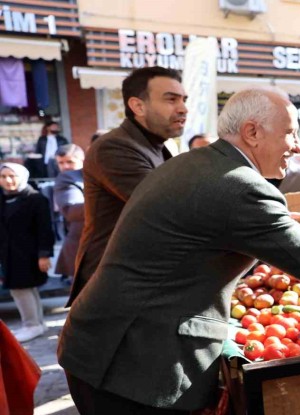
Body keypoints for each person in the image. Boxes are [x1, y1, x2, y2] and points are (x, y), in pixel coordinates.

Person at [57, 87, 300, 415]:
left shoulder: (198, 162)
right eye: (290, 132)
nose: (295, 145)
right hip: (131, 364)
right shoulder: (240, 185)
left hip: (108, 346)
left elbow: (202, 232)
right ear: (252, 132)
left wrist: (270, 229)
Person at [67, 66, 186, 307]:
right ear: (138, 106)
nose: (183, 108)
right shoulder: (113, 148)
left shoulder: (162, 146)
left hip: (143, 279)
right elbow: (166, 208)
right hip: (113, 285)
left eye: (184, 99)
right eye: (171, 99)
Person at [0, 163, 55, 343]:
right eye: (3, 176)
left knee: (21, 287)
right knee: (23, 288)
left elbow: (45, 229)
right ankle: (37, 323)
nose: (8, 180)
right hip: (9, 253)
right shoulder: (2, 199)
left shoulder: (35, 199)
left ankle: (31, 325)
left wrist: (44, 254)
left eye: (12, 176)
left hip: (28, 253)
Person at [53, 144, 86, 283]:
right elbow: (71, 210)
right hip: (82, 246)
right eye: (61, 163)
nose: (65, 166)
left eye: (70, 162)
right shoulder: (66, 179)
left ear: (82, 160)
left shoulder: (92, 175)